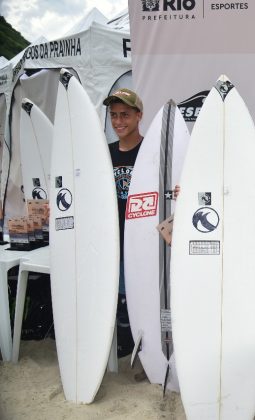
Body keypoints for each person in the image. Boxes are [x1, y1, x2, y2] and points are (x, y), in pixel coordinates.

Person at [103, 88, 144, 357]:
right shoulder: (103, 154)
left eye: (125, 115)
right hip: (112, 238)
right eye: (114, 115)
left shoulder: (151, 151)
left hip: (142, 240)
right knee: (118, 294)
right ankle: (123, 341)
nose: (119, 121)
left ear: (138, 116)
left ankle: (139, 342)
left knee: (139, 294)